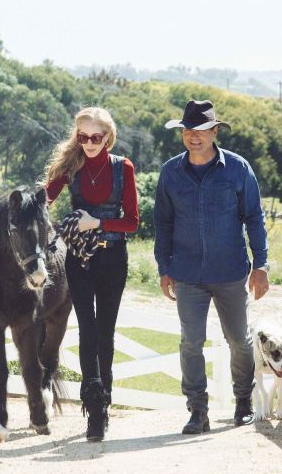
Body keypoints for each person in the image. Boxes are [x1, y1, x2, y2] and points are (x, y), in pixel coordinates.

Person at [153, 99, 269, 434]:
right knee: (191, 341)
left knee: (239, 340)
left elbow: (254, 217)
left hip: (231, 272)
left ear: (215, 131)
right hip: (187, 273)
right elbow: (163, 222)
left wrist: (261, 264)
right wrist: (164, 267)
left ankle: (243, 402)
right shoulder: (170, 173)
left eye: (202, 130)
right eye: (188, 130)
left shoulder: (237, 168)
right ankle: (197, 411)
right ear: (182, 133)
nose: (194, 136)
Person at [43, 107, 138, 442]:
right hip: (79, 261)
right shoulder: (72, 166)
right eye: (82, 137)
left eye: (95, 137)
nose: (88, 143)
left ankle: (104, 402)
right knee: (86, 332)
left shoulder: (123, 168)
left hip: (113, 259)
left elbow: (132, 222)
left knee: (105, 334)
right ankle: (93, 409)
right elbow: (43, 200)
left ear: (107, 137)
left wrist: (96, 222)